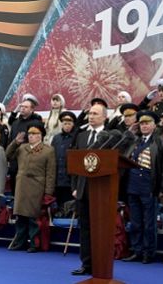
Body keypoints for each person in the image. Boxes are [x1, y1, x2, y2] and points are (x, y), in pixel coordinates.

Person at [121, 111, 163, 264]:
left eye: (147, 123)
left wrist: (162, 188)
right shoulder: (134, 142)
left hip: (149, 186)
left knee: (149, 223)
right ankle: (136, 250)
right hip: (132, 186)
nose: (144, 126)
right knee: (135, 222)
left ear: (154, 125)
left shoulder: (160, 141)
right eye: (142, 123)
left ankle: (148, 252)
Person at [6, 122, 56, 252]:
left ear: (41, 135)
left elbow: (51, 173)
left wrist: (48, 192)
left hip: (37, 186)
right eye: (30, 134)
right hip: (21, 185)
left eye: (34, 134)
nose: (31, 136)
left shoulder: (48, 150)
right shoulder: (22, 148)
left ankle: (35, 243)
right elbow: (7, 155)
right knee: (20, 216)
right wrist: (15, 142)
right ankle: (19, 242)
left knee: (34, 217)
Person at [71, 103, 107, 276]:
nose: (91, 116)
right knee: (84, 228)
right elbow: (75, 164)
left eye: (95, 114)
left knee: (100, 230)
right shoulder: (82, 136)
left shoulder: (110, 137)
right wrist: (75, 187)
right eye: (90, 113)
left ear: (104, 117)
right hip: (83, 190)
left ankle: (101, 264)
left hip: (102, 191)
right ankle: (86, 263)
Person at [51, 111, 77, 206]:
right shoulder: (56, 138)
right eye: (65, 123)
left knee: (69, 205)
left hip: (70, 180)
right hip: (57, 179)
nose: (67, 126)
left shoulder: (76, 137)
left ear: (73, 124)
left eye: (69, 123)